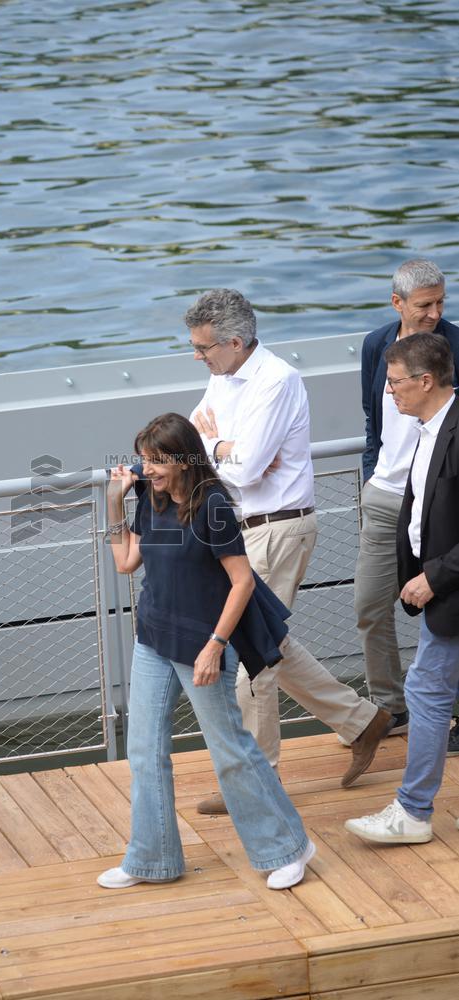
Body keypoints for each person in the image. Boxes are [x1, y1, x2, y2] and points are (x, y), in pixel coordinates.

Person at [184, 288, 390, 813]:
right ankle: (362, 721)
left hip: (276, 528)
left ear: (235, 341)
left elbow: (249, 468)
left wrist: (221, 446)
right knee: (269, 640)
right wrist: (223, 446)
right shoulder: (223, 374)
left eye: (203, 347)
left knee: (250, 655)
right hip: (243, 527)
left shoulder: (277, 381)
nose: (197, 356)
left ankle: (256, 780)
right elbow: (193, 439)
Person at [98, 413, 315, 891]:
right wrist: (114, 506)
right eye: (144, 459)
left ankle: (286, 848)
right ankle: (151, 860)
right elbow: (126, 562)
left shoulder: (212, 505)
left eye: (155, 461)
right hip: (153, 638)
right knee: (144, 751)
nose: (145, 468)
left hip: (202, 644)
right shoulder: (150, 498)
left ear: (182, 459)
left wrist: (216, 646)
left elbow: (241, 582)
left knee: (230, 752)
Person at [346, 333, 459, 843]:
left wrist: (433, 578)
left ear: (426, 381)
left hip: (451, 589)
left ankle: (412, 813)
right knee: (430, 689)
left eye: (395, 383)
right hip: (439, 585)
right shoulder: (425, 428)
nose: (388, 392)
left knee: (426, 690)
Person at [355, 259, 459, 748]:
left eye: (441, 302)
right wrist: (373, 474)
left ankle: (445, 715)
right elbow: (372, 419)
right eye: (425, 305)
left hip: (440, 500)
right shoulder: (377, 345)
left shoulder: (454, 343)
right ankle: (390, 709)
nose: (435, 313)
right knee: (371, 606)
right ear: (397, 303)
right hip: (386, 496)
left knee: (449, 608)